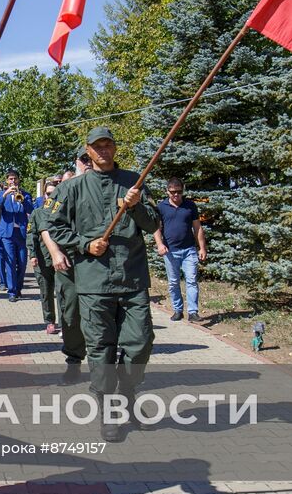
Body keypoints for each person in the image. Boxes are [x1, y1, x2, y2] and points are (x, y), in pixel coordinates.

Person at [46, 127, 160, 443]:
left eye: (108, 144)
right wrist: (84, 245)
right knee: (101, 349)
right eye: (98, 146)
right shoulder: (72, 189)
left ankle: (127, 392)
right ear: (88, 151)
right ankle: (110, 410)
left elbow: (152, 224)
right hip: (94, 283)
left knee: (140, 343)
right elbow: (53, 226)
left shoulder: (135, 182)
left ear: (114, 147)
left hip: (132, 278)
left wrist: (136, 205)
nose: (103, 151)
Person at [155, 177, 207, 322]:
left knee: (191, 280)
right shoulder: (161, 207)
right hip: (170, 251)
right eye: (172, 192)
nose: (176, 195)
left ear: (182, 191)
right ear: (167, 191)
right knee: (173, 282)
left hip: (189, 250)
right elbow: (156, 228)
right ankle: (178, 310)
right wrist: (160, 244)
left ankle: (193, 312)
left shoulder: (190, 206)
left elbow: (197, 228)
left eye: (179, 192)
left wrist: (202, 248)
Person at [0, 170, 33, 301]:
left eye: (15, 179)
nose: (13, 181)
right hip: (7, 234)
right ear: (7, 181)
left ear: (18, 180)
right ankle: (12, 292)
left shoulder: (25, 195)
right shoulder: (1, 194)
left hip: (20, 233)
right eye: (10, 179)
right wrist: (5, 195)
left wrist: (22, 199)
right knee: (10, 262)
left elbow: (31, 210)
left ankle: (19, 288)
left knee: (22, 263)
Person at [27, 183, 61, 335]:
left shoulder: (62, 211)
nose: (50, 197)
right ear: (44, 196)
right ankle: (50, 321)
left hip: (61, 259)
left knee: (63, 293)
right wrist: (33, 255)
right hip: (42, 259)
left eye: (53, 194)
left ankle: (65, 322)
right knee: (46, 292)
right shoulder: (37, 213)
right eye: (48, 194)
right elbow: (31, 235)